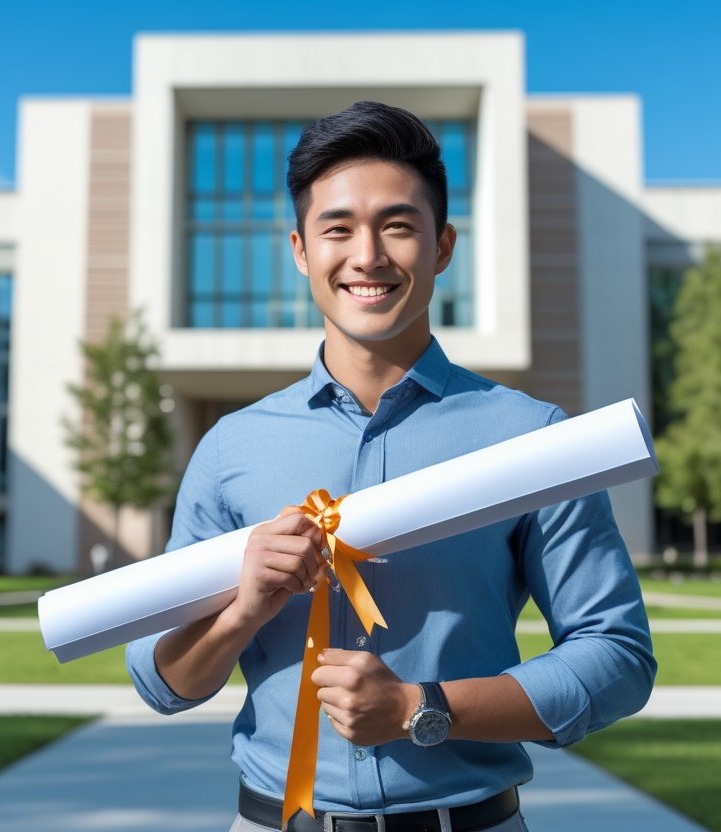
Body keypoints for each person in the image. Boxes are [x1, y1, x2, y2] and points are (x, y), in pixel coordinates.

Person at [128, 100, 655, 832]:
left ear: (442, 246)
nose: (368, 255)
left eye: (398, 226)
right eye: (337, 229)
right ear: (300, 250)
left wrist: (421, 708)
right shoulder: (231, 449)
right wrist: (244, 609)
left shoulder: (533, 441)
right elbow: (160, 682)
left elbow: (617, 655)